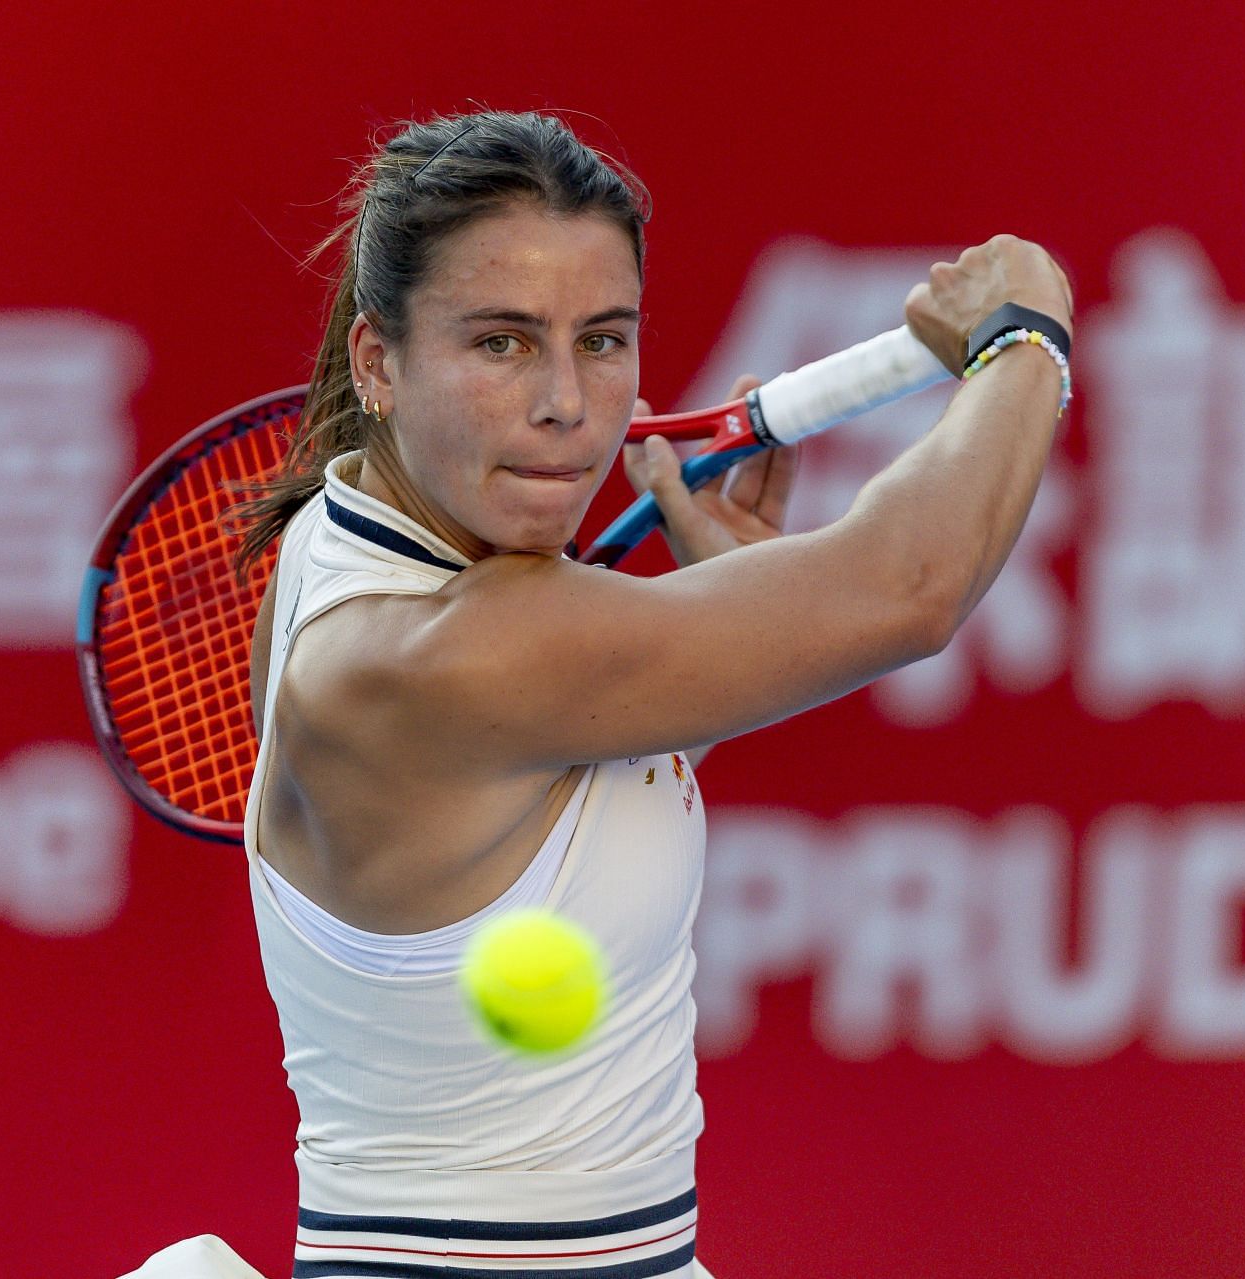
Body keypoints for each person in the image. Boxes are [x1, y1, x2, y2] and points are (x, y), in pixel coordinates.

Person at [125, 109, 1071, 1279]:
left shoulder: (341, 541)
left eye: (604, 339)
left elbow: (528, 816)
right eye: (503, 344)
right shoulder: (445, 648)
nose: (568, 404)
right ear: (379, 361)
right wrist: (1026, 332)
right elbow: (911, 586)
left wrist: (698, 645)